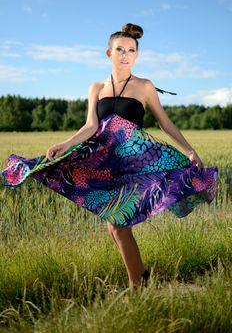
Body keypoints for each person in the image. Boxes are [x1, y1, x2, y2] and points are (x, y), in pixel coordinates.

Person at [1, 23, 218, 287]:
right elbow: (90, 126)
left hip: (134, 164)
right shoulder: (96, 87)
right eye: (119, 50)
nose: (125, 55)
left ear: (136, 55)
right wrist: (64, 144)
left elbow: (165, 123)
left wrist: (189, 149)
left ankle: (136, 288)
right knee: (113, 226)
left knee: (117, 225)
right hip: (104, 164)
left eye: (130, 50)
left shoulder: (144, 86)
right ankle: (142, 276)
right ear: (108, 53)